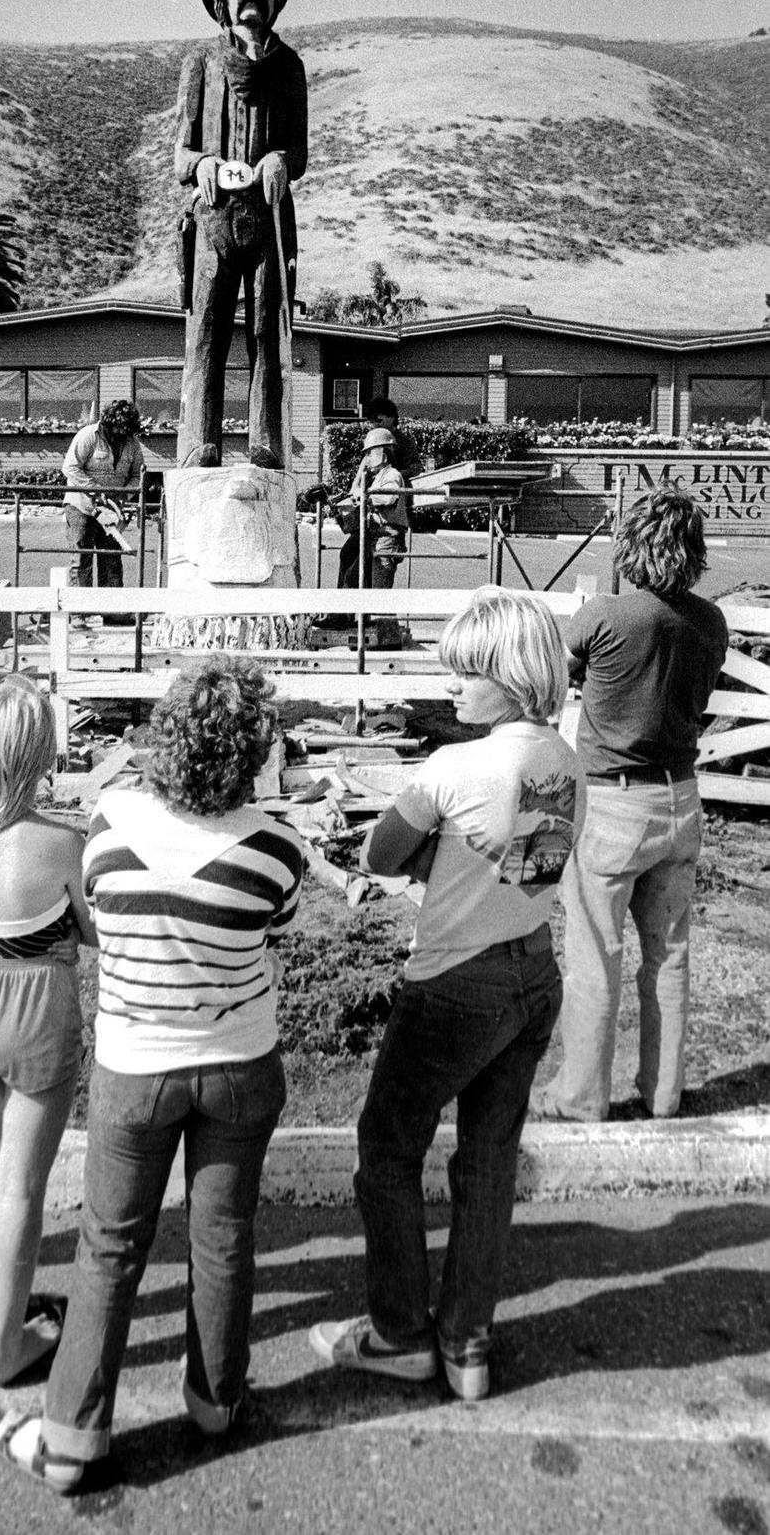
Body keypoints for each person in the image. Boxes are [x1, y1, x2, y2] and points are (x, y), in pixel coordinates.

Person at [0, 655, 304, 1492]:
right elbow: (277, 923)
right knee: (224, 1237)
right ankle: (215, 1401)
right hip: (238, 1062)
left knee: (109, 1248)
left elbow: (99, 912)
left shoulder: (108, 822)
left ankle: (72, 1438)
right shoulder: (277, 849)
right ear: (252, 753)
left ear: (166, 737)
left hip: (134, 1068)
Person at [309, 588, 584, 1401]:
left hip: (454, 983)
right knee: (488, 1161)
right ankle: (468, 1343)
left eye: (467, 671)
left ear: (509, 672)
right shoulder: (564, 761)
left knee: (388, 1150)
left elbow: (381, 854)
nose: (451, 686)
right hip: (533, 971)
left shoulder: (454, 766)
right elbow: (528, 865)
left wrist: (419, 849)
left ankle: (399, 1333)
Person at [532, 487, 728, 1123]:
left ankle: (582, 1096)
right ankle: (663, 1091)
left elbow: (551, 677)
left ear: (632, 545)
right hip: (681, 798)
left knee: (595, 955)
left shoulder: (605, 616)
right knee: (668, 953)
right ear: (693, 550)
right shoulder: (711, 623)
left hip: (613, 803)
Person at [0, 676, 95, 1385]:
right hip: (35, 1007)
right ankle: (10, 1348)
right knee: (23, 1184)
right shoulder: (61, 843)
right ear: (43, 755)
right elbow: (92, 933)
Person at [175, 0, 306, 471]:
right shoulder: (200, 61)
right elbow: (180, 151)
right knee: (206, 333)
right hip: (213, 218)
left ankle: (265, 440)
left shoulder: (290, 67)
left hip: (270, 219)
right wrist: (201, 162)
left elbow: (299, 151)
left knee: (267, 336)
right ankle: (198, 441)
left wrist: (281, 159)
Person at [62, 399, 145, 591]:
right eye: (118, 429)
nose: (121, 434)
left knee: (111, 559)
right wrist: (96, 492)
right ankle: (78, 612)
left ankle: (112, 611)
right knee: (81, 559)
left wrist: (124, 497)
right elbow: (70, 467)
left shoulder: (132, 444)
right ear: (108, 423)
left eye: (126, 430)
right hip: (81, 506)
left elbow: (137, 475)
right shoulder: (88, 436)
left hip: (111, 510)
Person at [335, 425, 411, 591]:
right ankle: (343, 616)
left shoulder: (392, 475)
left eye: (370, 453)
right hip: (376, 536)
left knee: (379, 590)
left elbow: (389, 497)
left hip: (387, 538)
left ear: (383, 455)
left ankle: (378, 617)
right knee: (353, 578)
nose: (366, 458)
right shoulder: (376, 477)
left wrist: (366, 496)